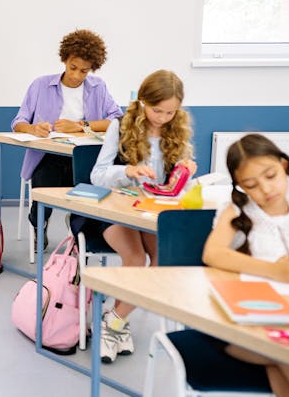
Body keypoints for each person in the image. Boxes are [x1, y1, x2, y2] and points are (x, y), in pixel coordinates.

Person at [89, 69, 196, 363]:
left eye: (170, 112)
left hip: (152, 212)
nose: (162, 118)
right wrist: (127, 171)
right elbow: (97, 175)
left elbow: (173, 185)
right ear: (143, 102)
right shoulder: (120, 126)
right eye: (156, 110)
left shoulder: (177, 130)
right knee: (135, 259)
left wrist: (186, 172)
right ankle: (114, 325)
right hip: (115, 209)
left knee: (162, 261)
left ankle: (114, 318)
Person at [202, 134, 289, 397]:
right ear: (241, 186)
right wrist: (274, 270)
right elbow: (213, 253)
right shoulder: (237, 211)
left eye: (271, 176)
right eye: (252, 185)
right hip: (247, 323)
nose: (266, 190)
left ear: (284, 167)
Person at [11, 29, 122, 248]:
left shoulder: (98, 87)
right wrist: (33, 129)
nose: (76, 76)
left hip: (82, 157)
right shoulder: (40, 85)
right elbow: (18, 122)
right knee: (45, 183)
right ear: (64, 59)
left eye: (84, 71)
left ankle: (79, 231)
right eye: (73, 68)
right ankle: (39, 223)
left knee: (89, 188)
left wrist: (81, 126)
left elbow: (117, 118)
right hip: (48, 156)